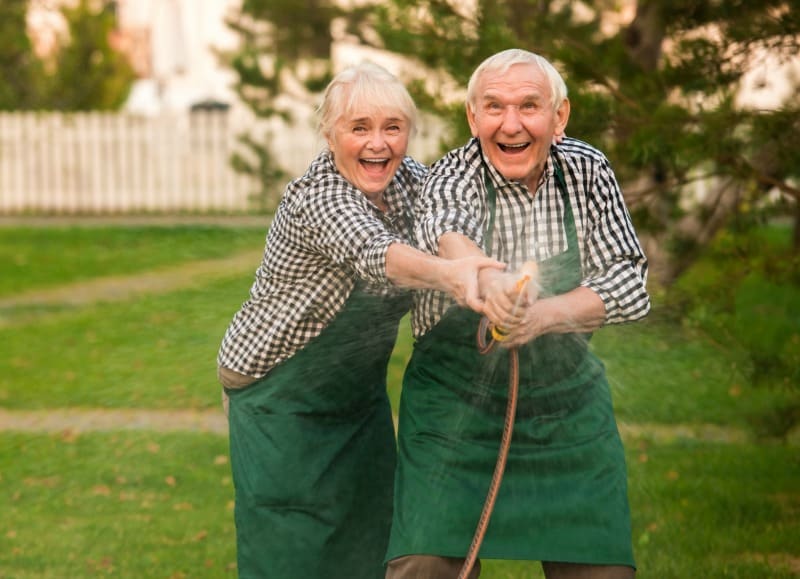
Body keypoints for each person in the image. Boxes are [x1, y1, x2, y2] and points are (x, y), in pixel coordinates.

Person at [216, 62, 503, 579]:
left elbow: (451, 217)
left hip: (357, 396)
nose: (378, 143)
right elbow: (379, 253)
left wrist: (495, 277)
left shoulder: (417, 183)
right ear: (330, 135)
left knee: (372, 537)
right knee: (293, 547)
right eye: (359, 128)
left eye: (393, 127)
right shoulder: (318, 196)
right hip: (277, 399)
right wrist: (452, 274)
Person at [385, 49, 651, 579]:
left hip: (567, 412)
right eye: (494, 107)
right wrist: (488, 282)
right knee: (425, 565)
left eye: (529, 106)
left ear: (560, 116)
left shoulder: (587, 170)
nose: (511, 124)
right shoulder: (450, 176)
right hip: (453, 415)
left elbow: (629, 279)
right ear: (472, 117)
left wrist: (546, 313)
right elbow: (449, 233)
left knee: (601, 572)